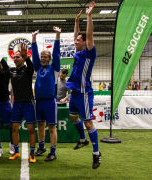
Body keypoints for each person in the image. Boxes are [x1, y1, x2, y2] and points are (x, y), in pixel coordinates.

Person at [65, 1, 101, 169]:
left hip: (84, 93)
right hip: (74, 92)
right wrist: (76, 22)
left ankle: (96, 153)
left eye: (79, 40)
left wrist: (88, 16)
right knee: (73, 117)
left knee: (88, 124)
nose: (76, 42)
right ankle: (82, 139)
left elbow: (90, 35)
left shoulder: (89, 53)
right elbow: (75, 36)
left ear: (84, 42)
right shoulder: (78, 52)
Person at [0, 43, 37, 163]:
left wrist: (27, 57)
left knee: (31, 129)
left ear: (23, 58)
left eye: (18, 57)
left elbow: (31, 66)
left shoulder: (28, 70)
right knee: (14, 128)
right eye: (14, 57)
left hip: (28, 103)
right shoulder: (11, 71)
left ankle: (32, 153)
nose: (15, 58)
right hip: (17, 104)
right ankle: (17, 152)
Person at [32, 26, 61, 161]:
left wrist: (57, 36)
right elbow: (34, 56)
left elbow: (56, 53)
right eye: (41, 57)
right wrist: (33, 39)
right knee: (40, 126)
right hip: (39, 101)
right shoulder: (37, 68)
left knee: (51, 127)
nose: (43, 58)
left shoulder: (54, 68)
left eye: (45, 57)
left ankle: (53, 152)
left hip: (50, 101)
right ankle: (41, 147)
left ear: (49, 58)